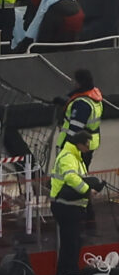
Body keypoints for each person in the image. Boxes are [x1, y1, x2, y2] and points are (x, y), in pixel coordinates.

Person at [50, 130, 104, 275]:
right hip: (65, 207)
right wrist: (88, 190)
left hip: (73, 207)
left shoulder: (76, 157)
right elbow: (71, 179)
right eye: (87, 144)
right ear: (79, 143)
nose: (88, 148)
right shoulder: (68, 157)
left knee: (74, 245)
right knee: (69, 245)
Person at [53, 69, 102, 229]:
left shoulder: (82, 104)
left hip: (78, 148)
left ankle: (87, 216)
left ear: (80, 82)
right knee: (81, 178)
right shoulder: (93, 95)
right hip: (87, 145)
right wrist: (64, 101)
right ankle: (87, 216)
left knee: (77, 180)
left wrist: (65, 150)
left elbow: (75, 130)